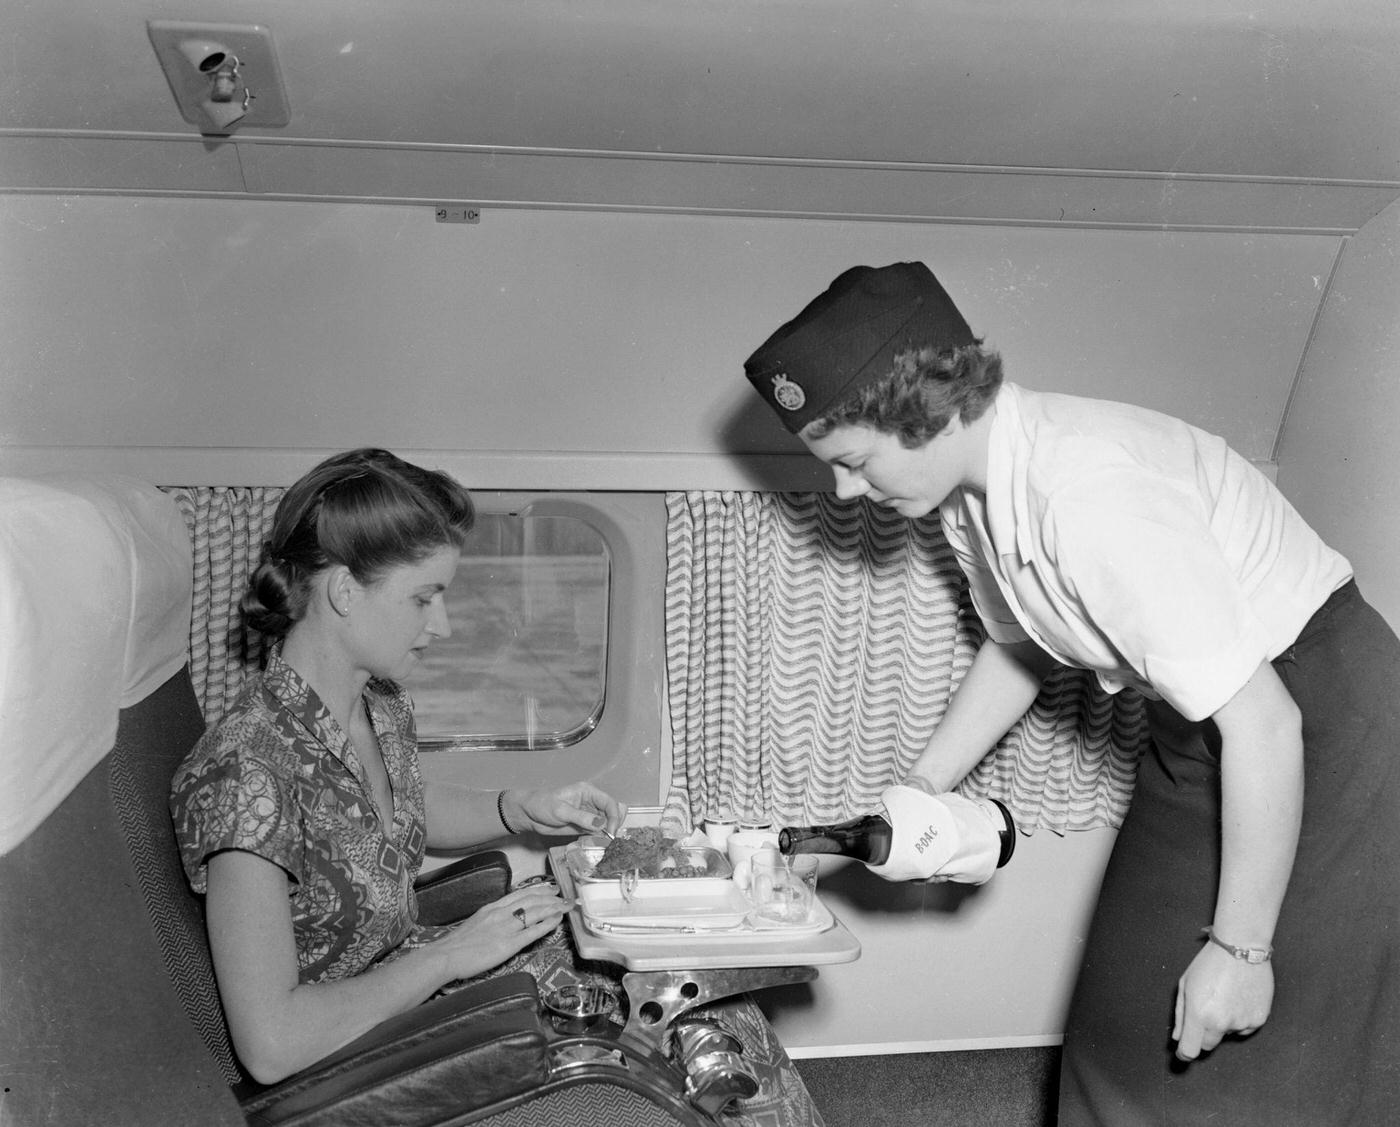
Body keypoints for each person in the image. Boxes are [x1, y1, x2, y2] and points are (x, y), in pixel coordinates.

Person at [742, 262, 1400, 1125]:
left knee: (1254, 1045)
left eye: (854, 461)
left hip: (1326, 728)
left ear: (925, 410)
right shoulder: (969, 496)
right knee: (1127, 1014)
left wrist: (1243, 949)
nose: (845, 490)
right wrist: (909, 801)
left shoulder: (1087, 495)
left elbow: (1269, 724)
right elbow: (1017, 650)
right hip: (1202, 728)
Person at [170, 448, 628, 1084]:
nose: (441, 624)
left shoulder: (378, 707)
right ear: (345, 591)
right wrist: (454, 955)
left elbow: (390, 812)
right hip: (349, 1058)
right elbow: (272, 1042)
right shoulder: (247, 769)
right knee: (637, 1036)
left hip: (405, 988)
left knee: (642, 977)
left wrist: (515, 805)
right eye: (424, 598)